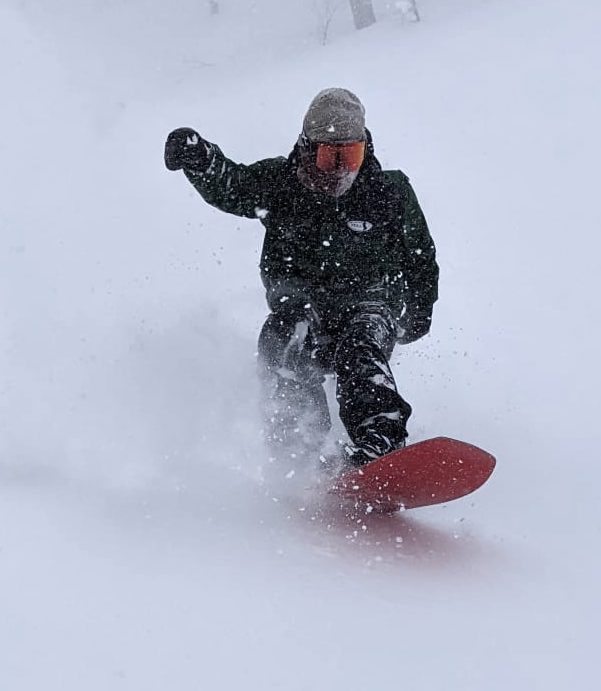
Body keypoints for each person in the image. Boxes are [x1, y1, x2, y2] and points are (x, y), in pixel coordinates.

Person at [163, 88, 438, 469]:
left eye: (351, 155)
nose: (342, 168)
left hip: (370, 306)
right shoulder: (282, 184)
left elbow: (421, 257)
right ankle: (298, 446)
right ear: (308, 147)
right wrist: (201, 159)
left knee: (359, 346)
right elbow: (234, 186)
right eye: (330, 156)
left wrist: (420, 311)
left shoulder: (388, 192)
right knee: (282, 335)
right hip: (304, 309)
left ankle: (381, 441)